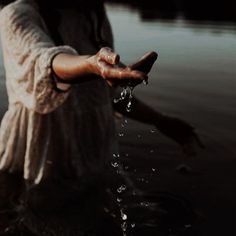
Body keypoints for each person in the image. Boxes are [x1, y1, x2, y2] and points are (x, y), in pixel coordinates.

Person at [0, 0, 202, 234]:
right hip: (42, 160)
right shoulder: (16, 15)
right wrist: (90, 64)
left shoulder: (92, 17)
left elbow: (104, 95)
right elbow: (47, 64)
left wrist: (160, 120)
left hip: (94, 156)